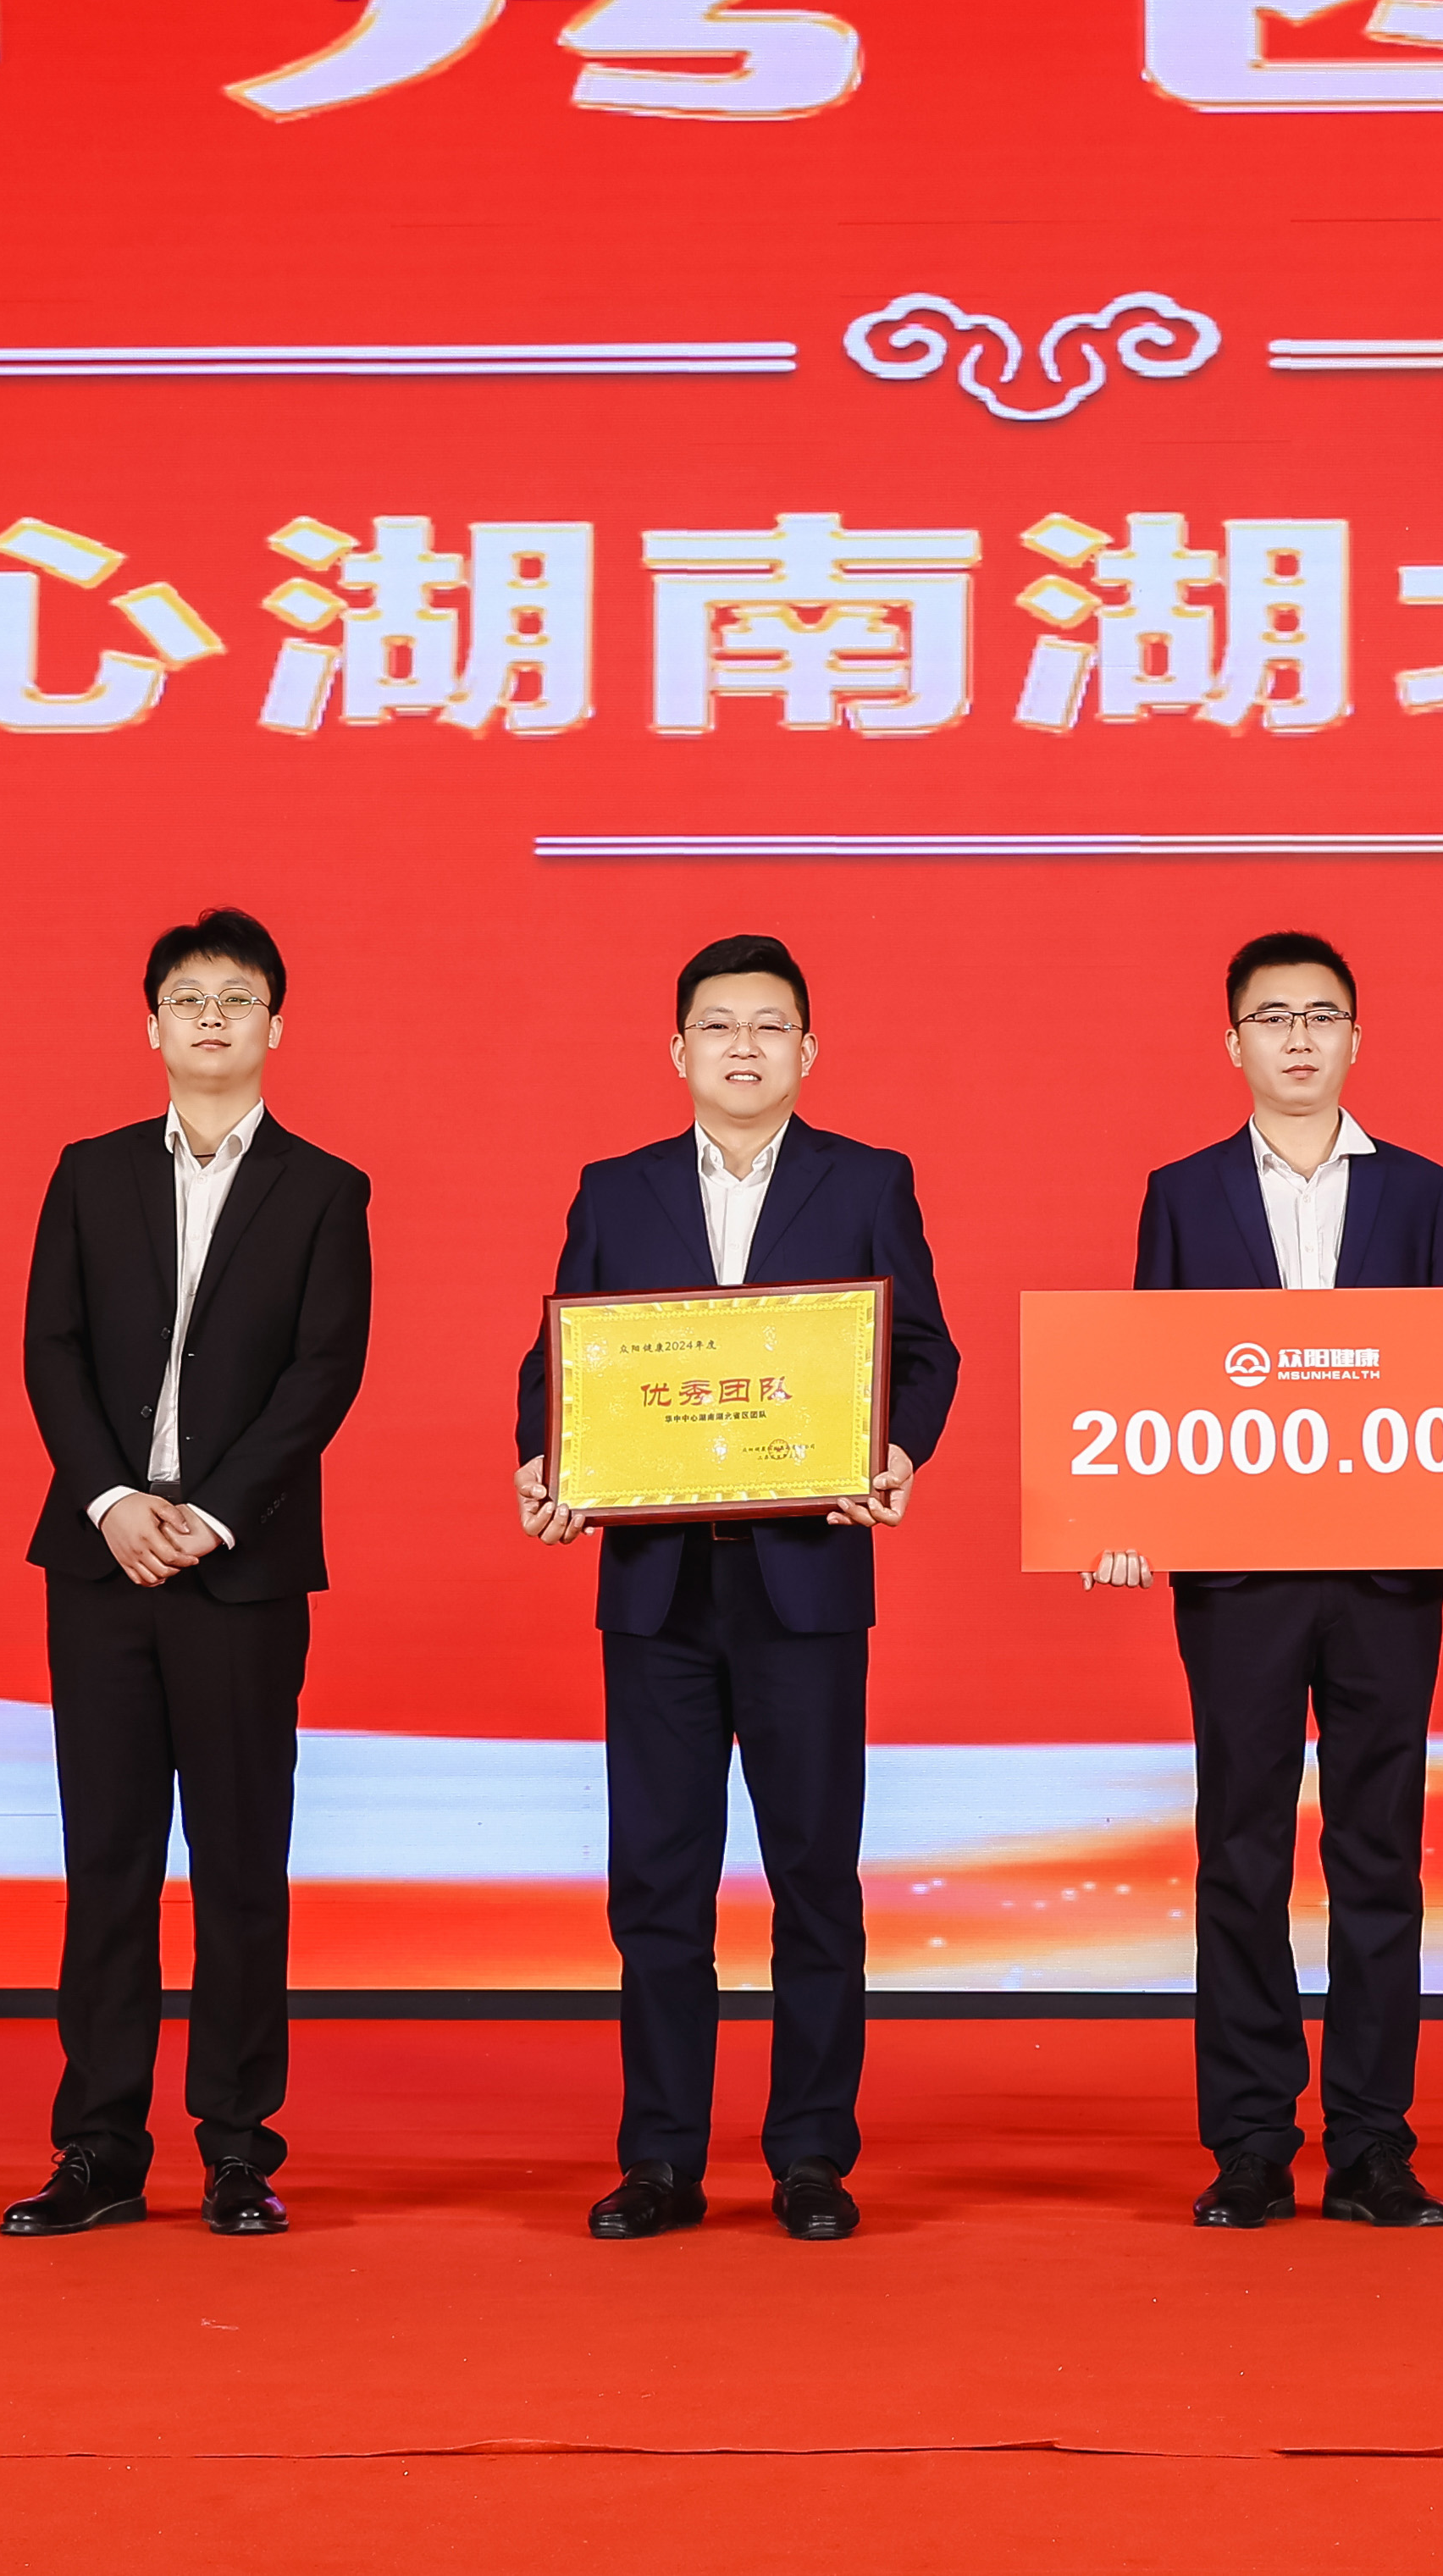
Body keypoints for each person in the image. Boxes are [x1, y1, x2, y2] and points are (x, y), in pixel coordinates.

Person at [514, 936, 958, 2243]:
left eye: (769, 1025)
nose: (744, 1047)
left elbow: (922, 1350)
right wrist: (546, 1461)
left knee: (814, 1877)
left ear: (807, 1050)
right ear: (679, 1052)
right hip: (656, 1591)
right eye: (718, 1026)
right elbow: (557, 1361)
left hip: (805, 1579)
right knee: (657, 1884)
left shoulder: (867, 1179)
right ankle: (659, 2157)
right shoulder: (616, 1190)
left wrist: (893, 1451)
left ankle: (811, 2156)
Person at [1089, 931, 1443, 2232]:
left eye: (1320, 1015)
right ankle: (1251, 2143)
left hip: (1388, 1574)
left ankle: (1374, 2146)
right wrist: (1125, 1514)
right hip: (1239, 1579)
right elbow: (1150, 1371)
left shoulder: (1420, 1192)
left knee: (1378, 1851)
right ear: (1232, 1044)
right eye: (1271, 1017)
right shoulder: (1182, 1193)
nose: (1297, 1038)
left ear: (1354, 1039)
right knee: (1242, 1852)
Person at [1, 908, 374, 2241]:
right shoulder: (88, 1173)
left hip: (239, 1572)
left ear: (276, 1024)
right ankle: (98, 2149)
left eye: (237, 997)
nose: (211, 1016)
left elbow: (322, 1374)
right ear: (151, 1025)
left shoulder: (325, 1190)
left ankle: (235, 2149)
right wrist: (112, 1503)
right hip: (100, 1564)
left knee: (238, 1865)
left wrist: (209, 1516)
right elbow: (49, 1350)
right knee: (106, 1863)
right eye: (186, 997)